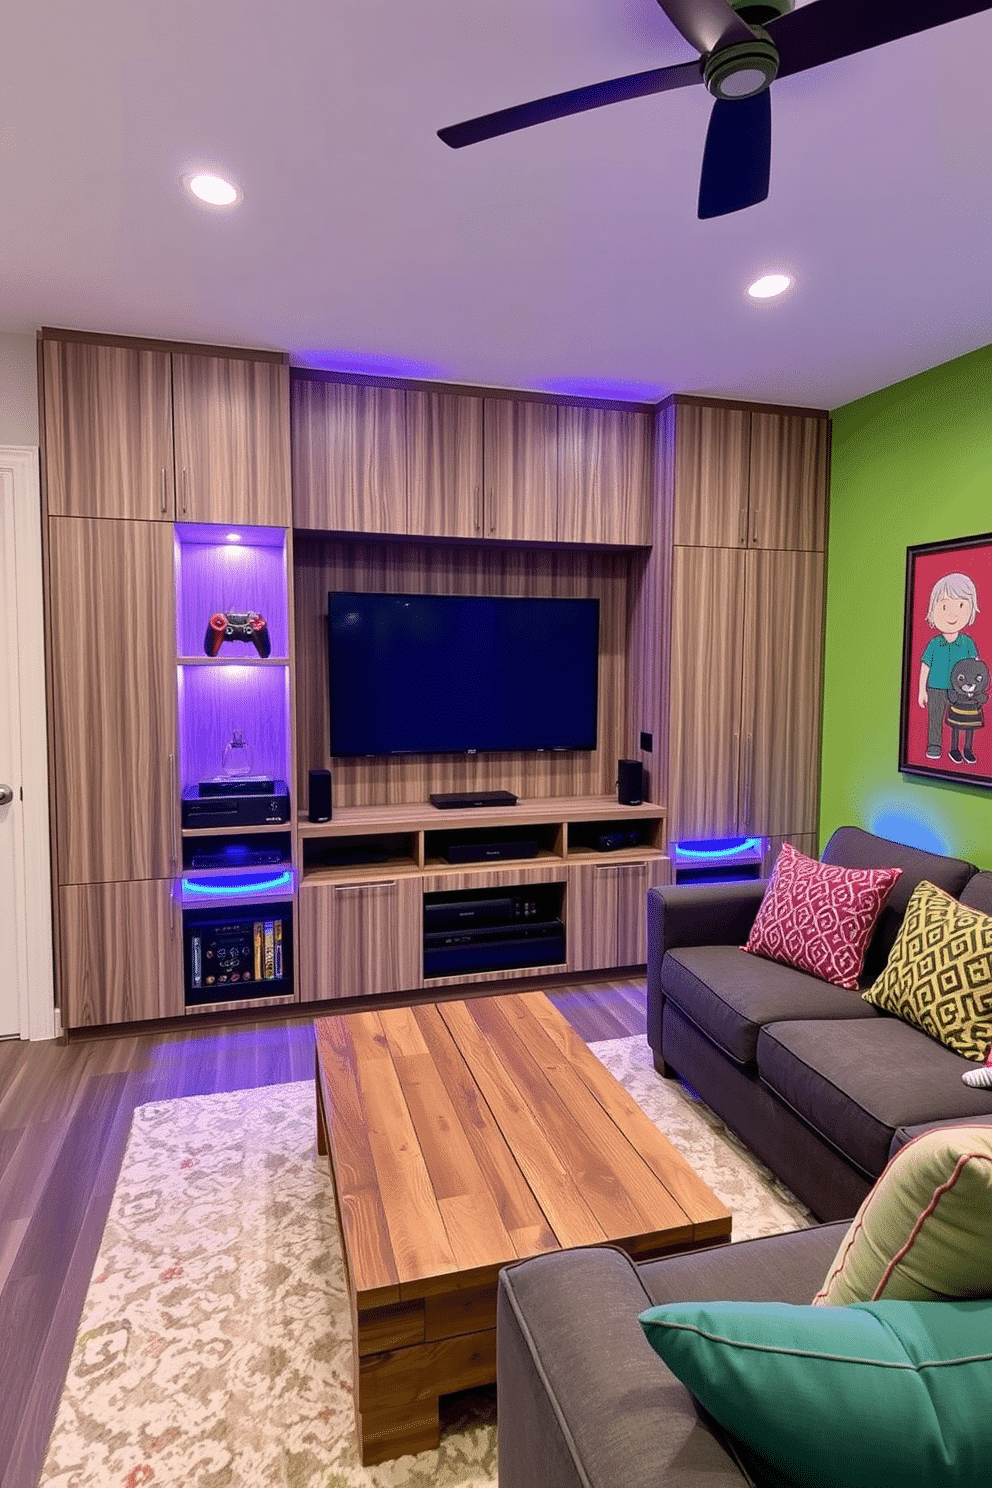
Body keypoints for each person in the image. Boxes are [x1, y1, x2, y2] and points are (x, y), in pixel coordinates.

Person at [918, 572, 979, 759]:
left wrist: (975, 688)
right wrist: (922, 690)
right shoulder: (934, 644)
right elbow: (925, 666)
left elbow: (975, 667)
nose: (952, 614)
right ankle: (934, 746)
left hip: (960, 689)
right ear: (933, 610)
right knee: (935, 718)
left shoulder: (968, 643)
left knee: (960, 720)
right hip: (936, 687)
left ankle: (959, 748)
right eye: (944, 606)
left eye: (961, 605)